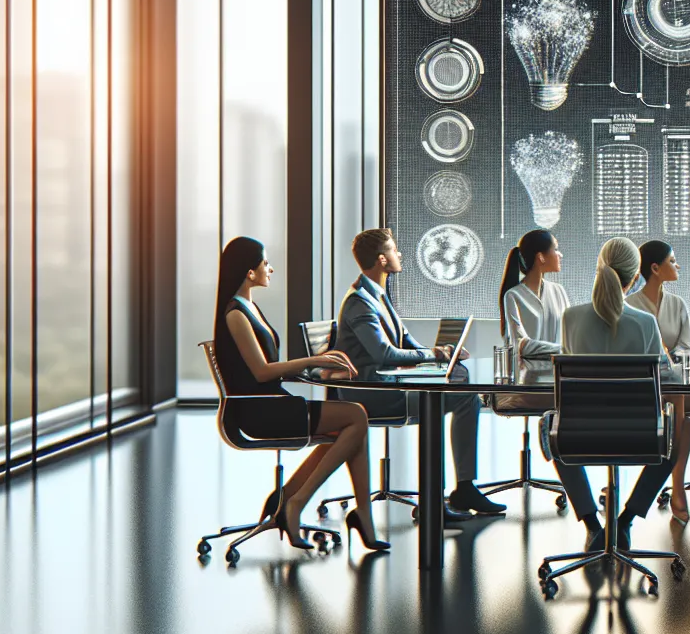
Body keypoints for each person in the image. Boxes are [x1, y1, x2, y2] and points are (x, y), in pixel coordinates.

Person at [211, 237, 386, 551]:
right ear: (249, 272)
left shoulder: (249, 307)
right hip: (259, 412)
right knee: (356, 417)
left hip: (273, 403)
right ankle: (297, 503)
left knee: (351, 429)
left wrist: (317, 366)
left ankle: (296, 499)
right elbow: (261, 372)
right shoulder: (235, 314)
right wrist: (313, 361)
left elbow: (267, 368)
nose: (270, 269)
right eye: (265, 263)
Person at [333, 228, 503, 519]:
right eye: (393, 250)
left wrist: (442, 353)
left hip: (388, 385)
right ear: (381, 260)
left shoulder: (378, 294)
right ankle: (435, 501)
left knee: (465, 395)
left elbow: (406, 341)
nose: (398, 254)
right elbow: (384, 354)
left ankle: (464, 487)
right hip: (373, 394)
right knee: (443, 401)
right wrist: (433, 355)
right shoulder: (359, 302)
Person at [557, 238, 679, 552]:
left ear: (600, 268)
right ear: (635, 276)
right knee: (677, 433)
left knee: (554, 426)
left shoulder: (571, 318)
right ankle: (625, 521)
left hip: (580, 436)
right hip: (638, 436)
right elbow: (666, 376)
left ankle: (592, 525)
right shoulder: (645, 323)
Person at [630, 239, 690, 523]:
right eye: (672, 261)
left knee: (686, 417)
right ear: (655, 268)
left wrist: (670, 357)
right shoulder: (630, 305)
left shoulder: (677, 304)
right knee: (680, 418)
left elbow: (687, 346)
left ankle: (678, 485)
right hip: (642, 385)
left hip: (671, 381)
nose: (678, 266)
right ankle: (673, 487)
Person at [501, 229, 570, 362]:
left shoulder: (559, 291)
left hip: (560, 369)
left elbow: (570, 334)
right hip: (527, 371)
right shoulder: (513, 296)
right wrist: (564, 350)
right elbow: (521, 345)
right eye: (556, 249)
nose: (560, 255)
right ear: (541, 257)